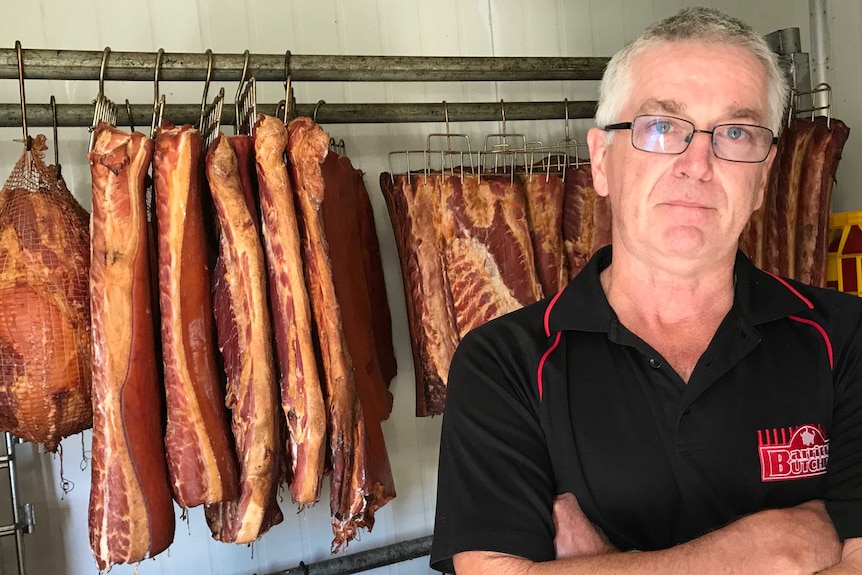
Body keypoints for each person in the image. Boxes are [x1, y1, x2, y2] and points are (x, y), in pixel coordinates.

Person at [430, 6, 862, 574]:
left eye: (735, 132)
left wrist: (604, 562)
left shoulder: (846, 336)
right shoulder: (503, 362)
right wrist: (775, 545)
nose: (698, 164)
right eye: (662, 128)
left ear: (762, 177)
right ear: (602, 161)